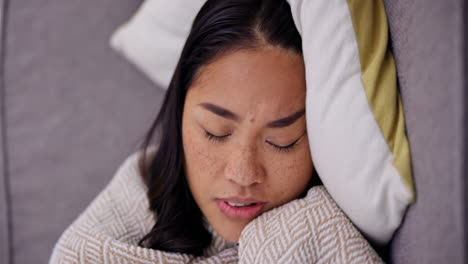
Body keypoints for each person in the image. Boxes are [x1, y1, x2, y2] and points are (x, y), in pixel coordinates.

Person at [50, 0, 382, 262]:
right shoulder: (100, 241)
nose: (243, 174)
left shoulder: (317, 228)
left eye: (282, 141)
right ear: (178, 112)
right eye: (216, 132)